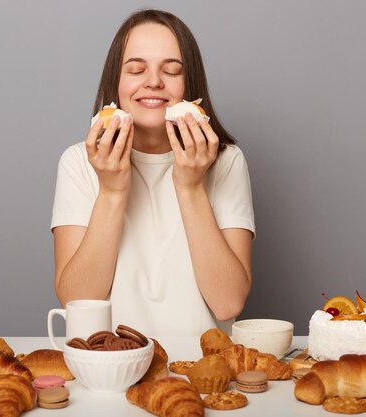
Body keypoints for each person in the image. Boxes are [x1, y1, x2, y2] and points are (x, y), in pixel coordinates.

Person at [51, 9, 255, 337]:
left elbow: (228, 302)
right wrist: (112, 191)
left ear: (190, 86)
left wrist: (191, 187)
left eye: (171, 70)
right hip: (109, 365)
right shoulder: (78, 162)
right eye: (136, 69)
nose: (154, 81)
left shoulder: (227, 162)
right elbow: (76, 300)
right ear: (115, 83)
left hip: (201, 372)